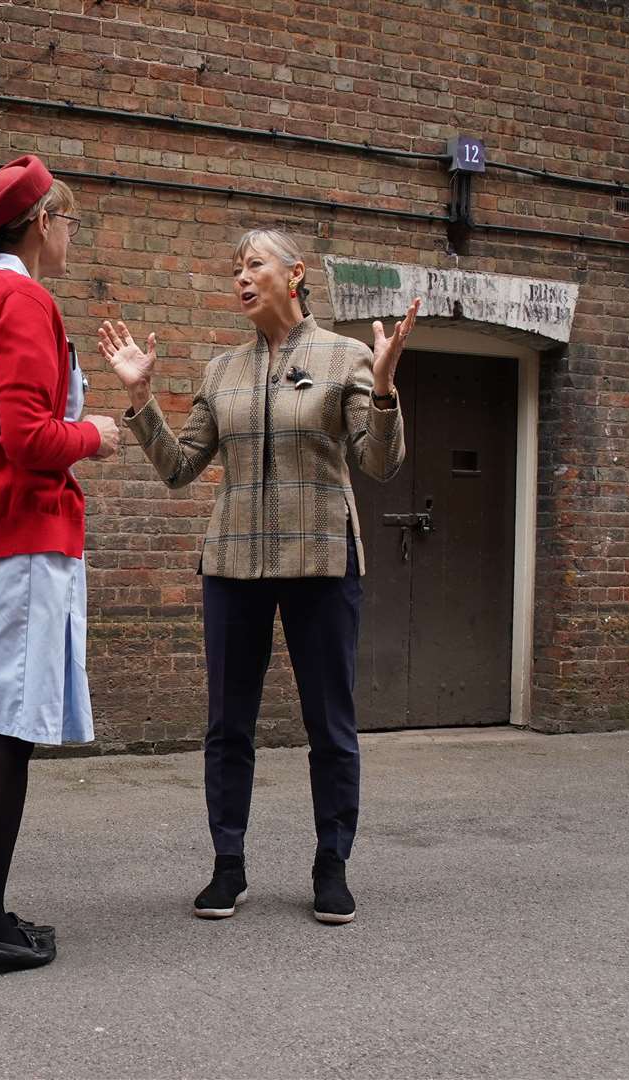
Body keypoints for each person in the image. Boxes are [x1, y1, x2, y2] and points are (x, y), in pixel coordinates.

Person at [100, 227, 418, 925]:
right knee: (226, 725)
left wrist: (387, 388)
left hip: (321, 564)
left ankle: (331, 866)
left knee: (329, 724)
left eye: (253, 265)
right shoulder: (222, 370)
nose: (240, 278)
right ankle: (227, 866)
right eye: (233, 269)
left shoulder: (347, 357)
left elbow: (378, 463)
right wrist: (141, 398)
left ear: (294, 274)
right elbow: (181, 468)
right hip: (233, 565)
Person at [0, 155, 121, 979]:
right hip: (20, 535)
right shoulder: (23, 298)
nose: (72, 238)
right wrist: (99, 433)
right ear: (42, 222)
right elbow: (30, 438)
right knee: (7, 735)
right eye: (69, 222)